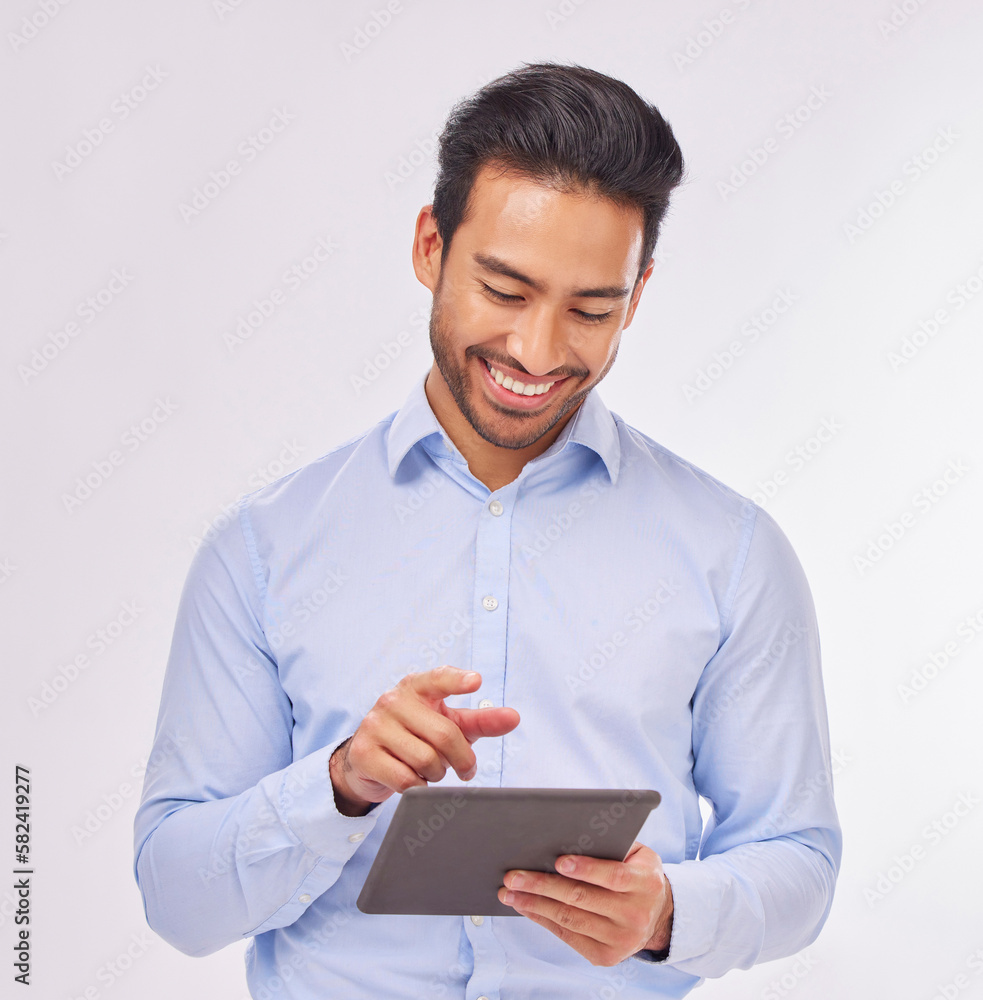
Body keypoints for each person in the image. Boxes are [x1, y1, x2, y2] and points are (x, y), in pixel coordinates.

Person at [133, 61, 841, 999]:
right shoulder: (261, 549)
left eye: (590, 308)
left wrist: (669, 912)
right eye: (505, 290)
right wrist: (337, 785)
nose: (537, 352)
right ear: (430, 246)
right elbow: (176, 899)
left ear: (635, 297)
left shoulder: (734, 552)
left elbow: (797, 860)